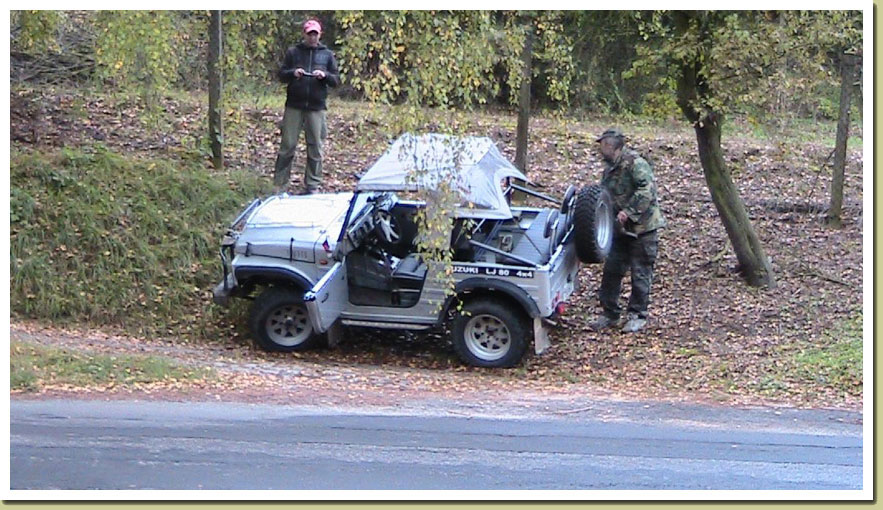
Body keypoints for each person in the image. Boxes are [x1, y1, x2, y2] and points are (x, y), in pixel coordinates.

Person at [591, 129, 666, 333]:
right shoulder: (609, 169)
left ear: (612, 145)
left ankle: (637, 315)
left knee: (641, 272)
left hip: (643, 229)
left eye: (604, 144)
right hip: (619, 230)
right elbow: (605, 195)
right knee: (612, 271)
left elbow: (647, 191)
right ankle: (610, 313)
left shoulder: (636, 164)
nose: (601, 149)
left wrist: (629, 212)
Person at [273, 19, 340, 194]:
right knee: (287, 145)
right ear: (304, 34)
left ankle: (313, 184)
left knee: (315, 146)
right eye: (309, 33)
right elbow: (281, 75)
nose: (312, 37)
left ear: (319, 35)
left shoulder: (327, 55)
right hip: (294, 105)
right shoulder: (293, 52)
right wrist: (293, 73)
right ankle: (280, 183)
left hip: (316, 107)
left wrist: (324, 75)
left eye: (315, 34)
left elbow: (335, 80)